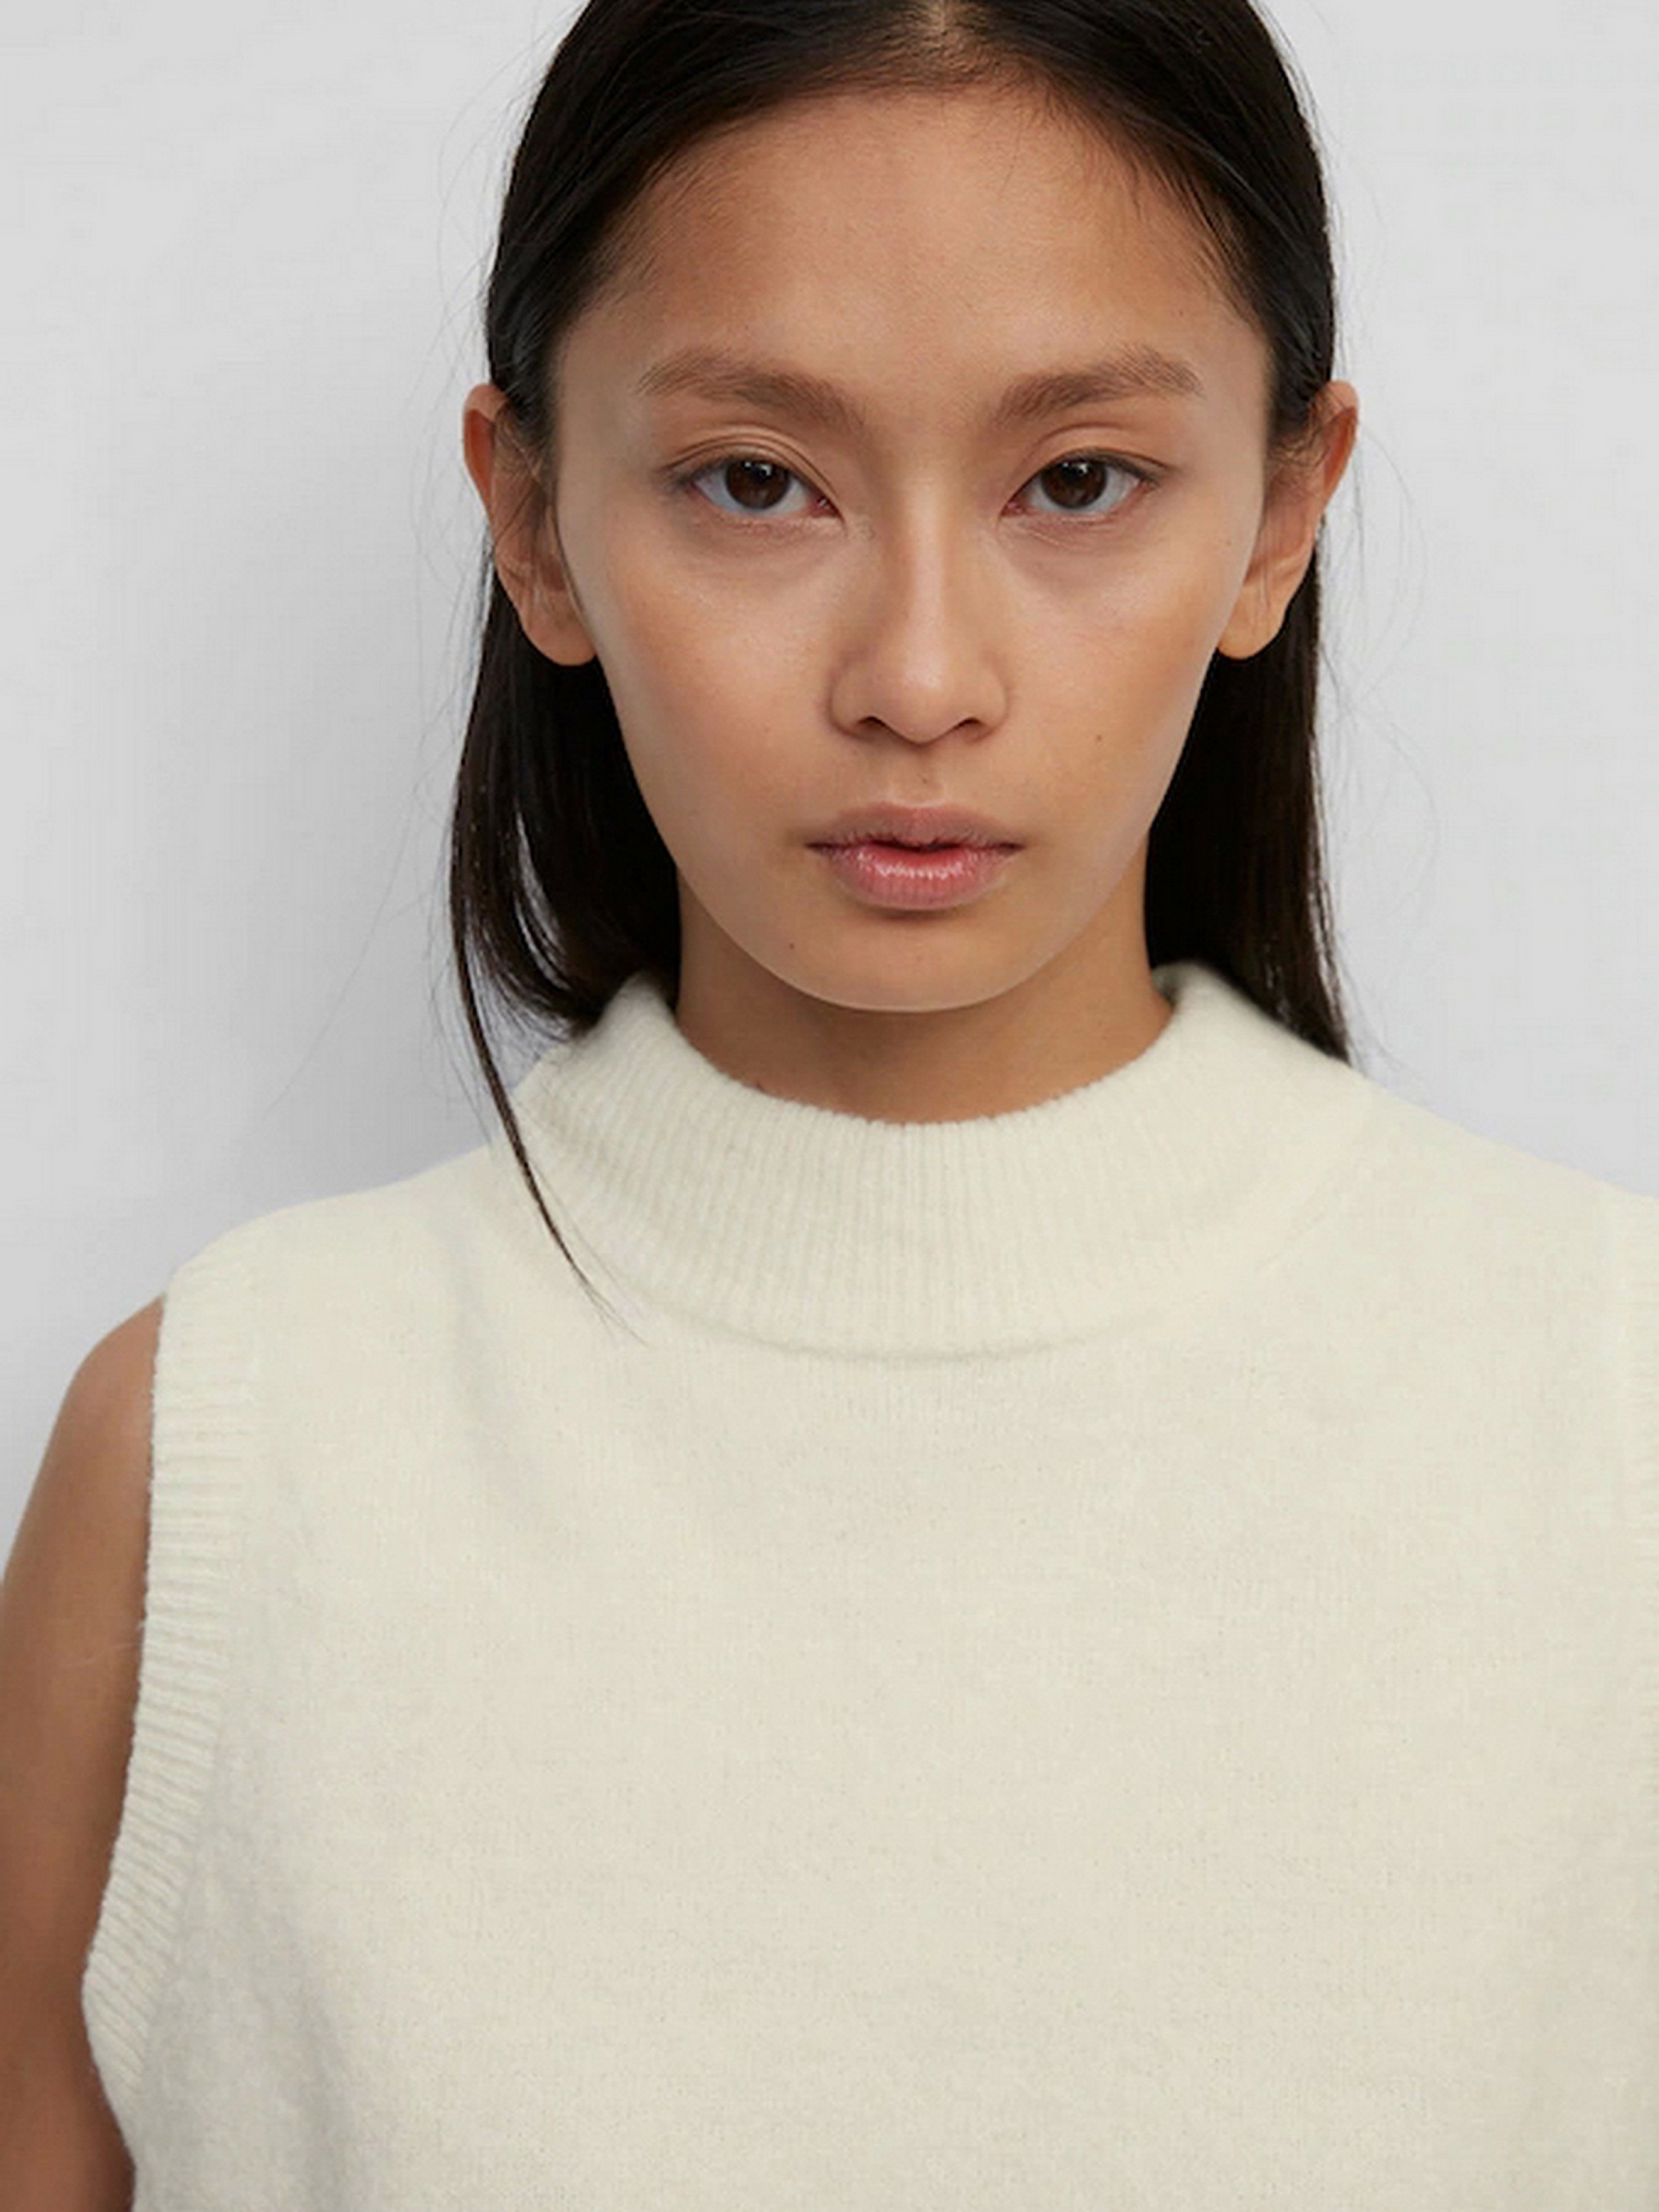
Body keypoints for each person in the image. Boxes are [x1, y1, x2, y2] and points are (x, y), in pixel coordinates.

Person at [4, 0, 1657, 2203]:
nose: (919, 678)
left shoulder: (1610, 1419)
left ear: (1279, 516)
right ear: (533, 520)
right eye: (754, 480)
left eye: (1078, 480)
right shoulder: (219, 1457)